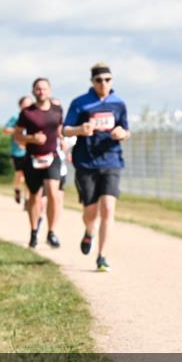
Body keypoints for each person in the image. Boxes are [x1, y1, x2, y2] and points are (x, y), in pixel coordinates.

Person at [63, 63, 130, 272]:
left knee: (108, 208)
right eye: (99, 80)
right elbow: (65, 130)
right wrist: (79, 130)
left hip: (111, 160)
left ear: (112, 81)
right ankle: (89, 231)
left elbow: (126, 130)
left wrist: (121, 133)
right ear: (92, 82)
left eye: (107, 80)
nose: (103, 84)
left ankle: (102, 256)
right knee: (90, 212)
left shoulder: (118, 103)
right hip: (86, 162)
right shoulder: (80, 103)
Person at [15, 78, 63, 249]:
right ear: (33, 91)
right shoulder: (27, 113)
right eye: (38, 89)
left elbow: (59, 130)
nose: (41, 92)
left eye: (44, 88)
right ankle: (34, 232)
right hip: (33, 159)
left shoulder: (57, 110)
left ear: (49, 90)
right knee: (35, 197)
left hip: (52, 157)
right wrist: (32, 138)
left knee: (53, 193)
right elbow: (17, 136)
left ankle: (51, 232)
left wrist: (64, 142)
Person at [4, 95, 34, 205]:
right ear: (20, 105)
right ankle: (17, 189)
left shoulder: (34, 117)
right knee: (19, 174)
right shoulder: (15, 117)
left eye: (30, 104)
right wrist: (18, 130)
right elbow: (5, 130)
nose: (28, 106)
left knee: (29, 176)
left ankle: (27, 199)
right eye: (25, 104)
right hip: (18, 152)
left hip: (31, 151)